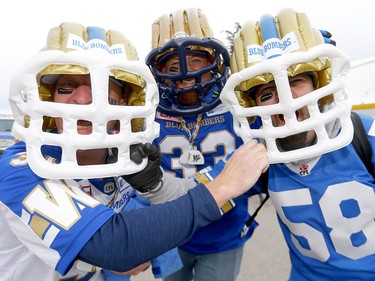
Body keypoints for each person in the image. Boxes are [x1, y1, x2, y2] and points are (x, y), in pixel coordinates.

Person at [0, 22, 269, 281]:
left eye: (101, 88)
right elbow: (114, 244)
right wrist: (222, 186)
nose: (81, 100)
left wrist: (156, 186)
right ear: (48, 99)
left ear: (125, 103)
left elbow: (172, 202)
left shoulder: (119, 161)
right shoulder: (22, 168)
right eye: (66, 87)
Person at [193, 7, 375, 280]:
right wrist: (150, 187)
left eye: (295, 80)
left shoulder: (365, 135)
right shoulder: (259, 156)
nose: (285, 101)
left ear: (319, 83)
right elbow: (190, 200)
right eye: (267, 94)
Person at [145, 8, 258, 281]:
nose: (186, 73)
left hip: (223, 236)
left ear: (216, 65)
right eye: (173, 66)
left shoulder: (240, 107)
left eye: (196, 61)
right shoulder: (146, 115)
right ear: (157, 74)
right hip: (168, 237)